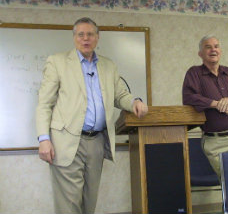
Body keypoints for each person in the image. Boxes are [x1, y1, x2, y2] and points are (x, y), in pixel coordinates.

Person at [36, 17, 148, 214]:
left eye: (90, 34)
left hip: (96, 142)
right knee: (68, 206)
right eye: (81, 34)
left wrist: (134, 102)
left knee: (89, 202)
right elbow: (45, 104)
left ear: (97, 37)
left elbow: (120, 95)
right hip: (66, 141)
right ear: (74, 38)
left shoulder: (108, 65)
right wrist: (44, 139)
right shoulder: (57, 62)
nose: (85, 38)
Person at [182, 35, 228, 177]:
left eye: (216, 46)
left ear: (220, 51)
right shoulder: (194, 73)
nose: (213, 50)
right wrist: (216, 104)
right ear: (200, 54)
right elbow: (189, 98)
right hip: (217, 143)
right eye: (208, 47)